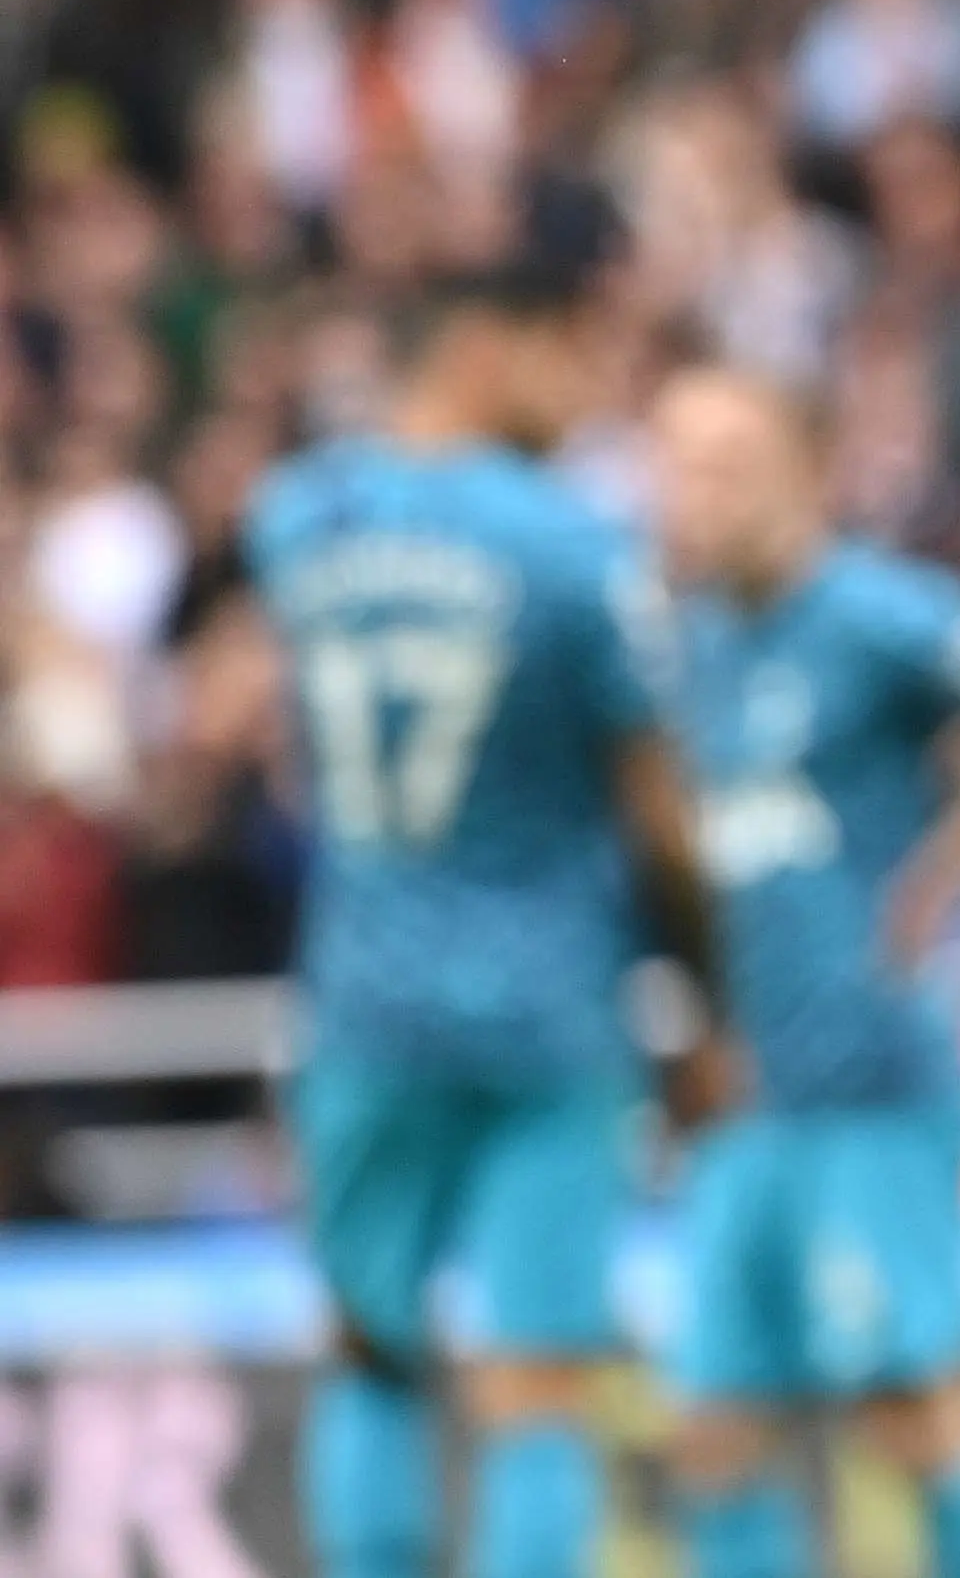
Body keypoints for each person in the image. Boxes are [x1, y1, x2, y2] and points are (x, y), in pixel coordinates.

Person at [243, 266, 731, 1578]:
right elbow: (657, 816)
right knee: (536, 1383)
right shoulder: (575, 544)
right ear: (480, 343)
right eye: (565, 346)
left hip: (361, 997)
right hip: (547, 1010)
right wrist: (708, 996)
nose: (581, 388)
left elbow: (285, 751)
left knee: (369, 1345)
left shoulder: (296, 518)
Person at [639, 367, 960, 1578]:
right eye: (671, 465)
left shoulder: (868, 611)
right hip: (757, 1102)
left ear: (800, 471)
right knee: (714, 1429)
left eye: (723, 465)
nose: (689, 496)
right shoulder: (696, 637)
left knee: (908, 1410)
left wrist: (943, 872)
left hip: (877, 1085)